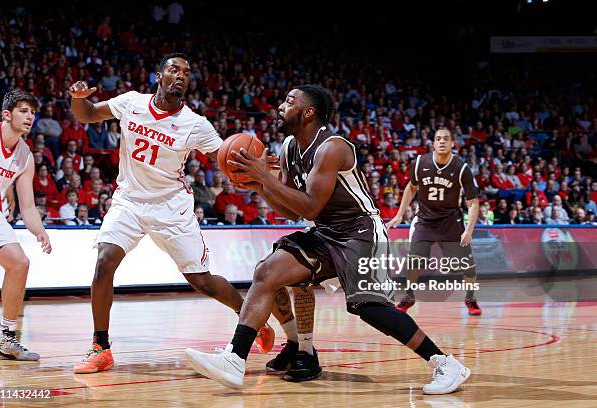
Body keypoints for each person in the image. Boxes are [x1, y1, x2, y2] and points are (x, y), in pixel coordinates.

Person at [185, 85, 470, 394]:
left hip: (360, 231)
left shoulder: (333, 148)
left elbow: (309, 206)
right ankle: (235, 358)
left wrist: (265, 178)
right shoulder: (290, 147)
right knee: (266, 272)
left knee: (368, 307)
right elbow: (289, 209)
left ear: (308, 112)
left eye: (289, 101)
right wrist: (259, 186)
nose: (282, 106)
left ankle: (445, 364)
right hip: (326, 231)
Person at [68, 53, 274, 374]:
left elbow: (228, 158)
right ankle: (101, 346)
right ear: (158, 76)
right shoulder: (131, 102)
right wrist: (78, 99)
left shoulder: (195, 124)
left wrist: (257, 167)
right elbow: (89, 114)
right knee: (104, 260)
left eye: (187, 72)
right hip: (130, 202)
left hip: (171, 208)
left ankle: (253, 321)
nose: (181, 75)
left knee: (202, 282)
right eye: (173, 69)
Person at [0, 89, 52, 360]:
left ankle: (7, 338)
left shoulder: (25, 156)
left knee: (19, 263)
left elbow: (26, 206)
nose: (29, 117)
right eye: (23, 111)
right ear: (6, 114)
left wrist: (39, 230)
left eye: (33, 112)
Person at [388, 128, 482, 316]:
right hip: (425, 220)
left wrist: (469, 230)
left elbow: (473, 202)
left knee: (467, 265)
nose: (441, 142)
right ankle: (409, 296)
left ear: (452, 143)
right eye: (438, 139)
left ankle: (471, 298)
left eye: (446, 139)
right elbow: (411, 187)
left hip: (451, 221)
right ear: (433, 142)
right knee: (415, 259)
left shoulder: (461, 168)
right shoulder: (420, 162)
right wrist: (399, 213)